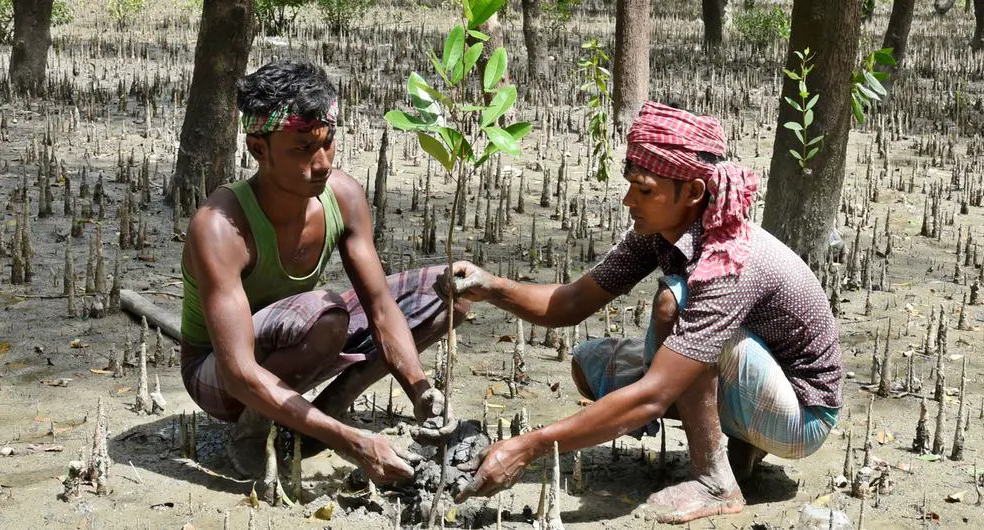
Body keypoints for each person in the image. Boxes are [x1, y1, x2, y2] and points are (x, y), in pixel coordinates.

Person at [441, 101, 843, 523]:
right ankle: (741, 447)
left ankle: (716, 481)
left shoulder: (729, 259)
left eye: (645, 190)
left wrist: (527, 447)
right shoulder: (659, 231)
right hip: (754, 380)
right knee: (592, 364)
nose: (629, 199)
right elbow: (573, 302)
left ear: (692, 193)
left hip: (801, 416)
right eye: (630, 183)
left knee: (676, 303)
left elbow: (653, 396)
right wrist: (492, 287)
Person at [179, 61, 464, 484]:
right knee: (327, 317)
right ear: (259, 149)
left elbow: (382, 309)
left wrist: (420, 388)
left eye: (327, 143)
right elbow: (238, 373)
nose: (322, 162)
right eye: (301, 149)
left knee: (453, 293)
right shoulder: (219, 226)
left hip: (293, 339)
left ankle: (327, 411)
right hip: (220, 376)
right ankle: (251, 436)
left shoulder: (344, 196)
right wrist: (352, 443)